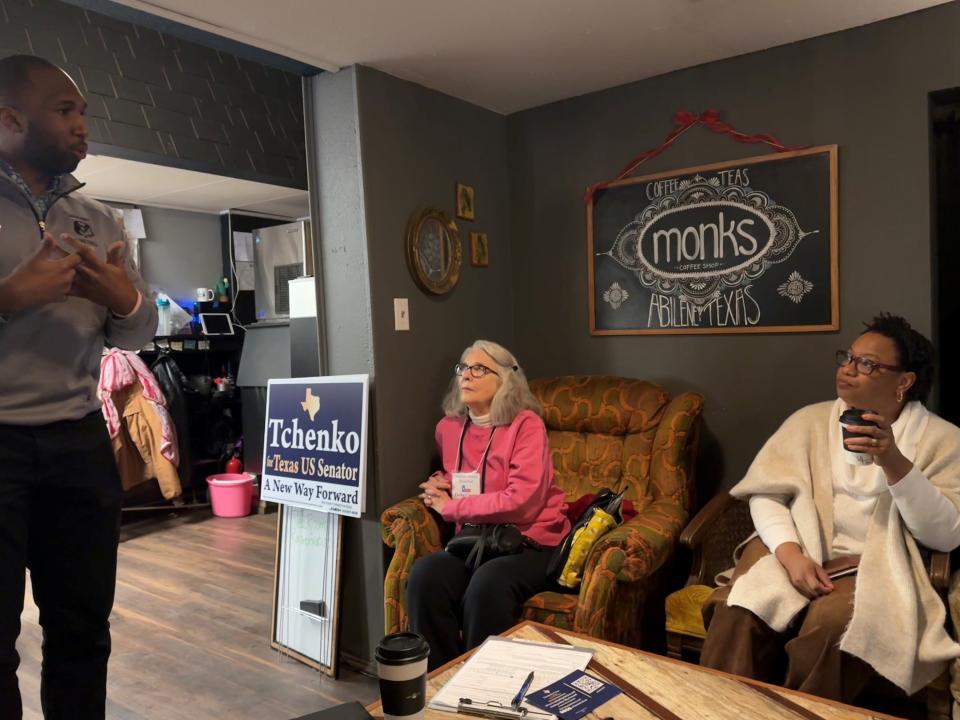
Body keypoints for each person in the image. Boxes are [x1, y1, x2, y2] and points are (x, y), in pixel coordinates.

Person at [0, 55, 157, 718]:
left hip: (79, 445)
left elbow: (137, 333)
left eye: (84, 112)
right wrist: (7, 298)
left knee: (83, 637)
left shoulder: (101, 218)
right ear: (10, 120)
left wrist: (126, 300)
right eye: (66, 111)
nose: (83, 125)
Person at [700, 314, 960, 704]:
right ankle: (716, 710)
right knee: (739, 612)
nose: (848, 370)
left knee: (833, 626)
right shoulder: (809, 421)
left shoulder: (941, 439)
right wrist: (791, 555)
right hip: (801, 550)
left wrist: (893, 460)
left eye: (867, 364)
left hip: (875, 566)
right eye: (848, 358)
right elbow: (767, 494)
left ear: (904, 382)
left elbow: (945, 534)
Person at [406, 340, 570, 670]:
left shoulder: (526, 425)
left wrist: (450, 508)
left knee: (487, 585)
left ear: (506, 380)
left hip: (531, 541)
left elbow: (522, 503)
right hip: (474, 540)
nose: (467, 375)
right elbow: (467, 473)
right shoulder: (448, 428)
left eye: (479, 368)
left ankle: (484, 689)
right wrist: (442, 481)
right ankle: (442, 678)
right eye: (463, 368)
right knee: (425, 576)